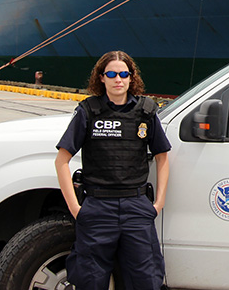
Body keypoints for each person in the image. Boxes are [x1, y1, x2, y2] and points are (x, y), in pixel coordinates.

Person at [55, 51, 171, 290]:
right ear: (101, 78)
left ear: (131, 78)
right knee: (90, 280)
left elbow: (162, 158)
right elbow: (62, 161)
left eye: (123, 74)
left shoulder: (146, 112)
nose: (118, 79)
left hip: (136, 207)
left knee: (146, 279)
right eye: (111, 74)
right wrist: (76, 209)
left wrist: (157, 204)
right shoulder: (87, 112)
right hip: (98, 208)